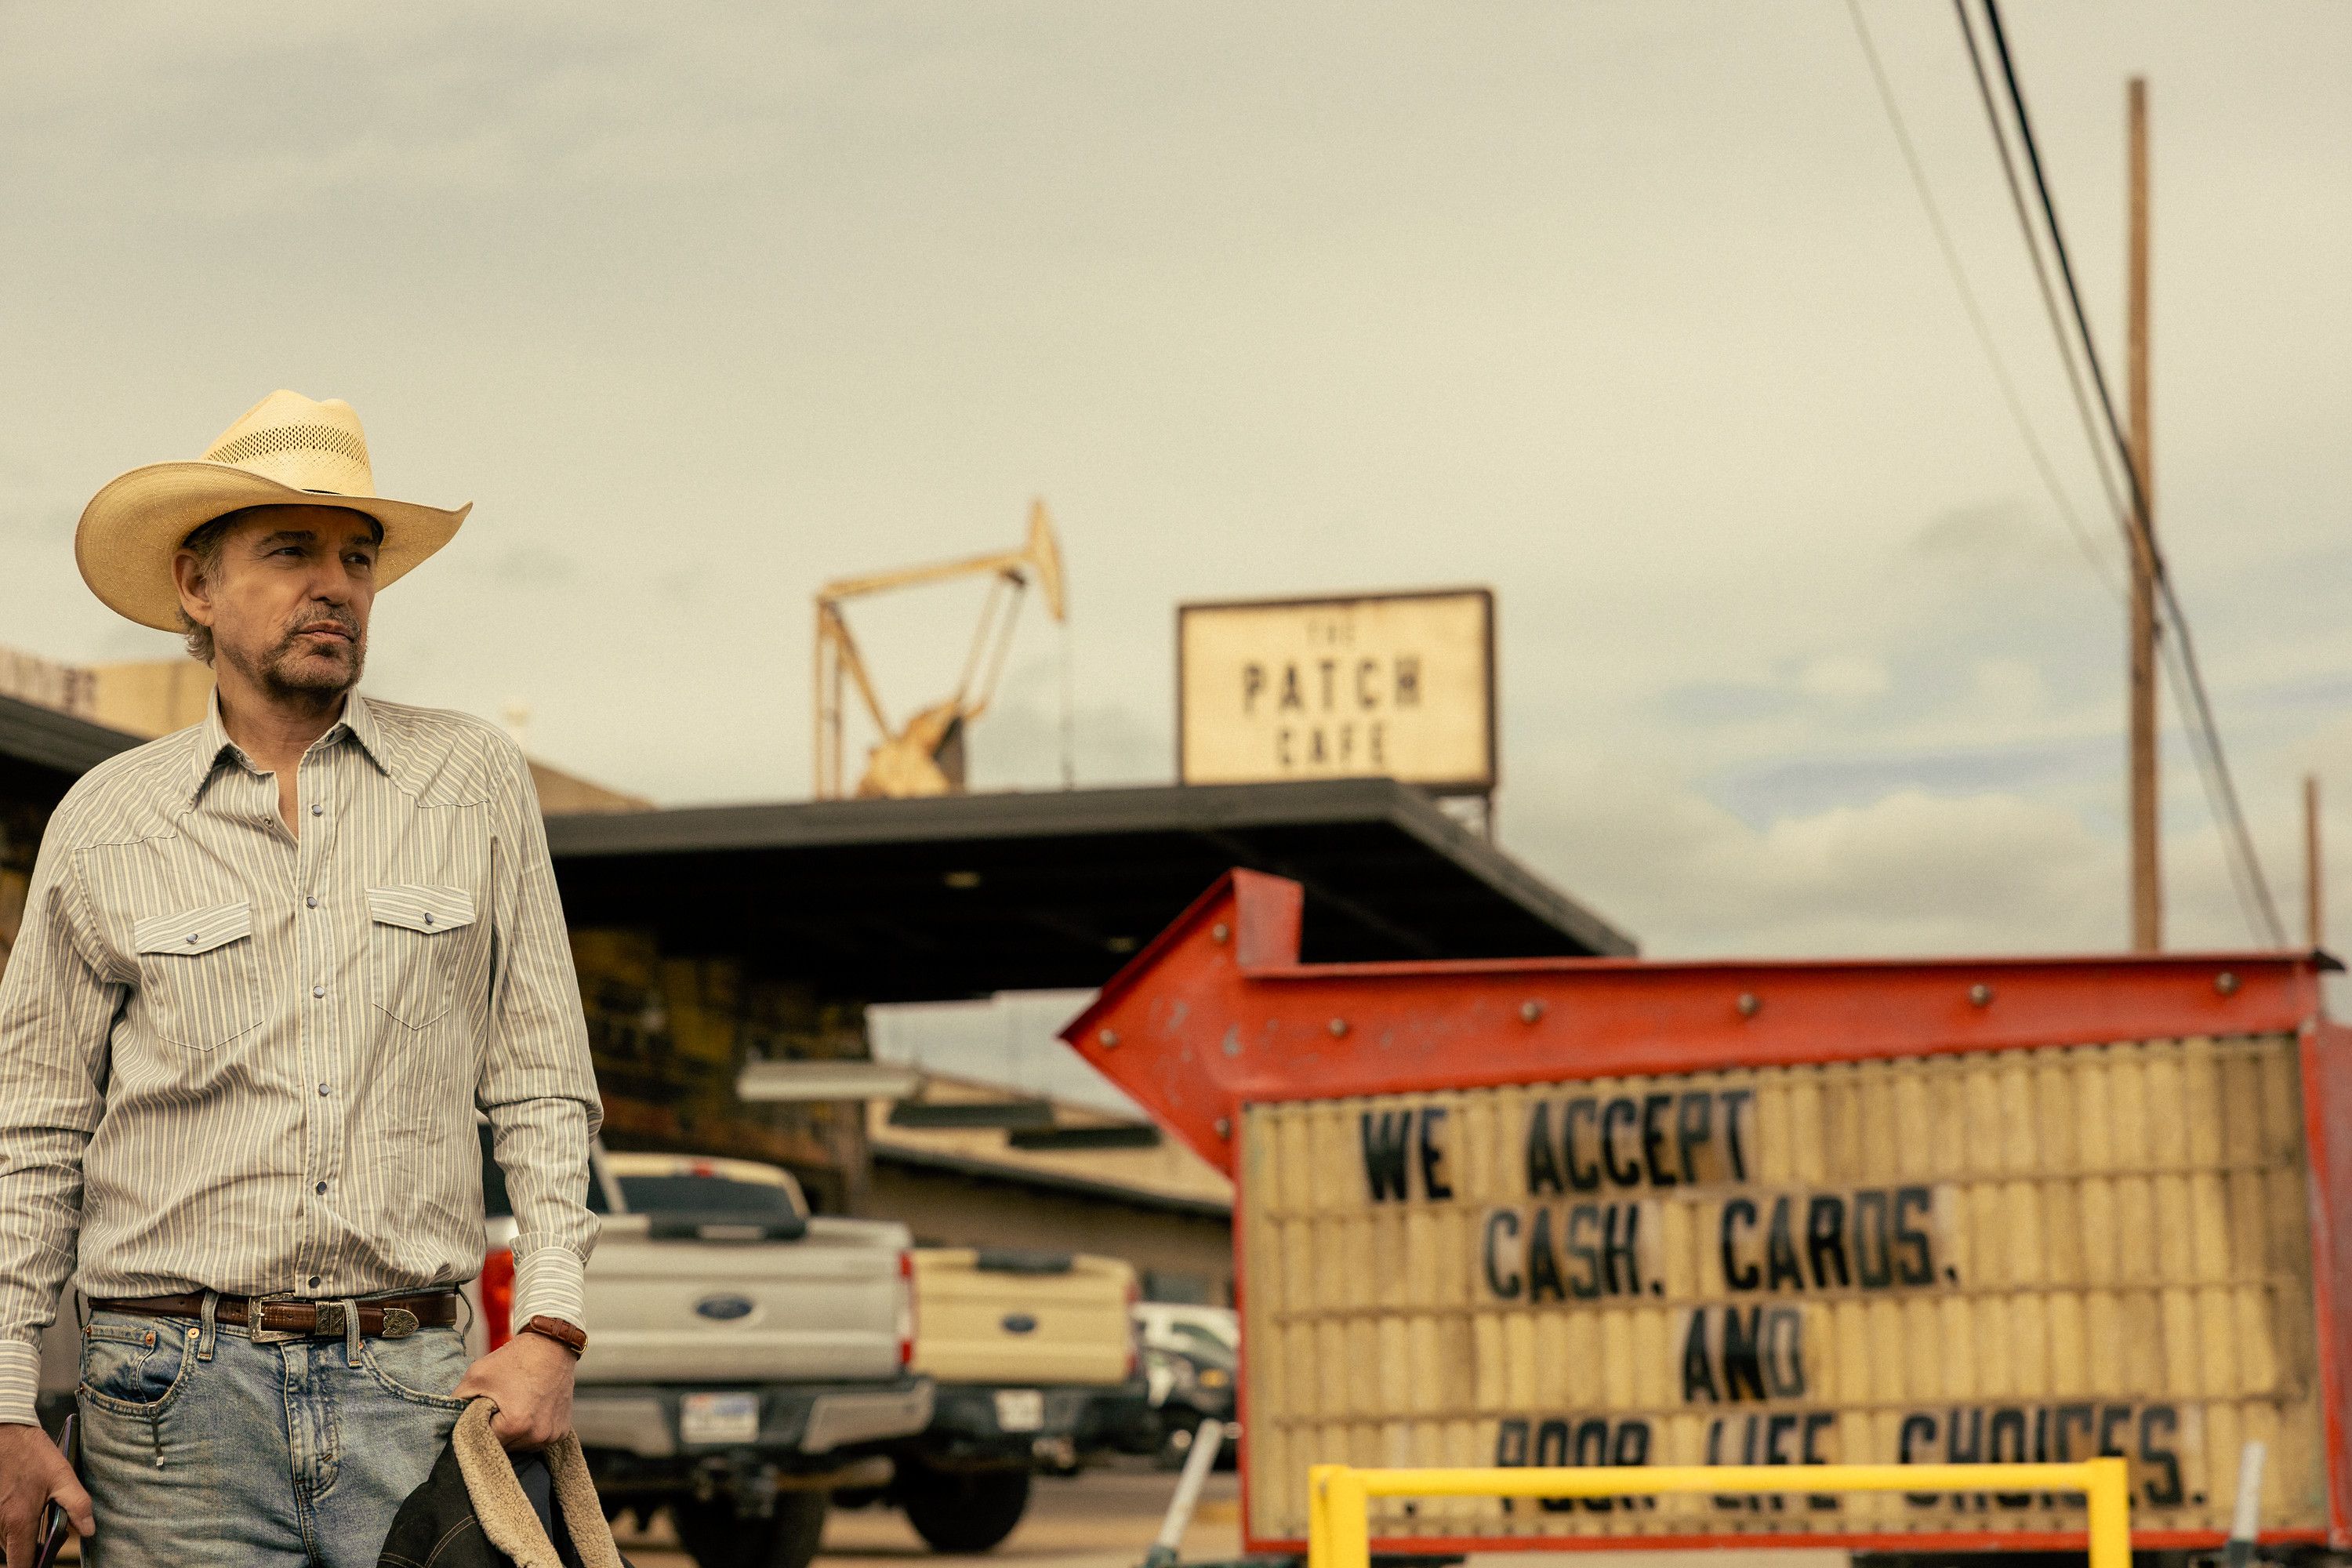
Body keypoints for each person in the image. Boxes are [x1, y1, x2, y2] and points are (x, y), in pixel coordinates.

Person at [0, 391, 604, 1568]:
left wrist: (551, 1328)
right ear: (197, 586)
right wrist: (7, 1400)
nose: (335, 586)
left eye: (357, 559)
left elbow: (542, 1084)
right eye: (291, 552)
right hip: (168, 1408)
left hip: (417, 1390)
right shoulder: (104, 821)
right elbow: (32, 1132)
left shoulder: (472, 781)